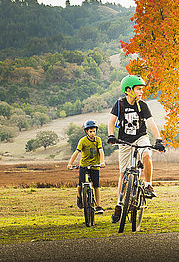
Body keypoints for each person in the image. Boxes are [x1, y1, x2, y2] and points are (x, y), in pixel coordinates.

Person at [107, 74, 165, 223]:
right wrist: (111, 135)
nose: (141, 92)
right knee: (122, 174)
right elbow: (111, 122)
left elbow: (151, 123)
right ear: (128, 90)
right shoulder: (119, 104)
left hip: (141, 137)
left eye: (141, 89)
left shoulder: (143, 105)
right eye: (138, 89)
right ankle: (119, 204)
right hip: (124, 140)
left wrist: (158, 139)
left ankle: (148, 185)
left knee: (146, 155)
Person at [67, 120, 106, 214]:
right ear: (86, 132)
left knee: (96, 186)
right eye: (90, 131)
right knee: (80, 184)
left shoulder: (98, 140)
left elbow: (101, 151)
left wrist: (102, 162)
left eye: (94, 131)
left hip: (95, 166)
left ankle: (98, 206)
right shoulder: (83, 141)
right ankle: (79, 196)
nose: (92, 133)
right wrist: (70, 163)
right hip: (84, 165)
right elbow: (76, 152)